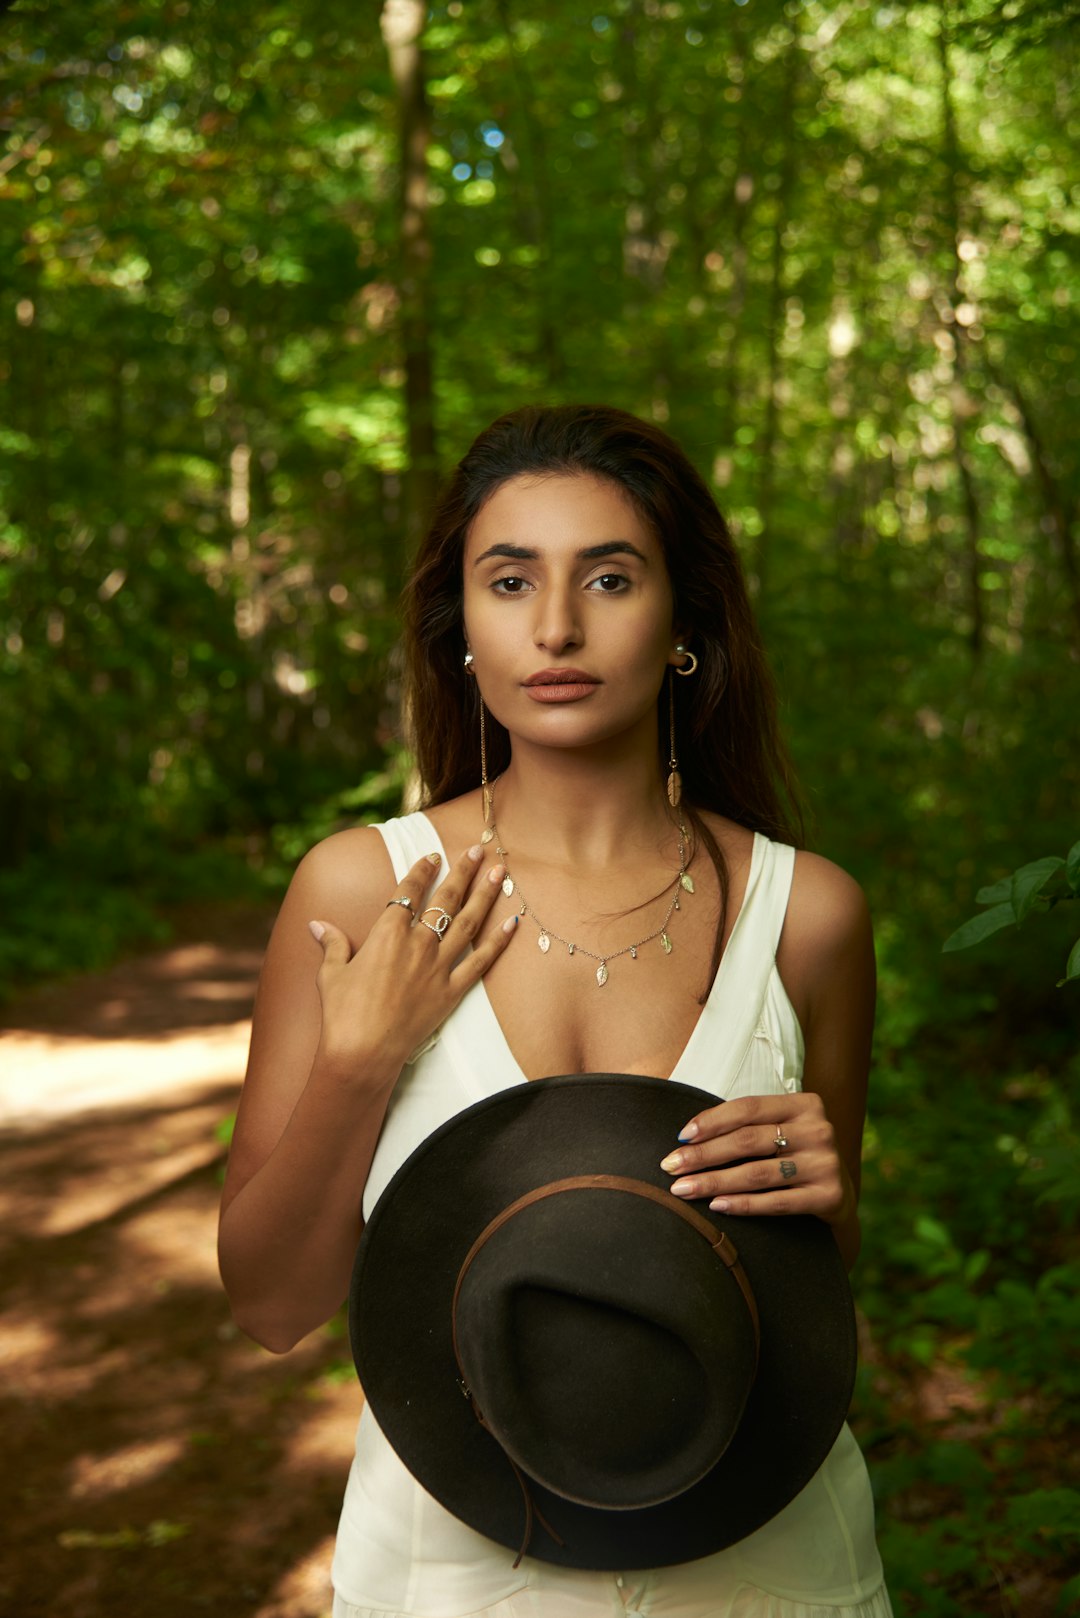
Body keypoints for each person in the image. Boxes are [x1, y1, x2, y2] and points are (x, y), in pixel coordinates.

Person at [218, 404, 892, 1618]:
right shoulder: (364, 890)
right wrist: (360, 1064)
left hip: (768, 1564)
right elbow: (271, 1307)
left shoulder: (809, 915)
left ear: (685, 622)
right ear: (461, 626)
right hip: (455, 1570)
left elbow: (812, 1284)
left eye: (612, 577)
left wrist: (823, 1193)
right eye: (511, 578)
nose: (558, 626)